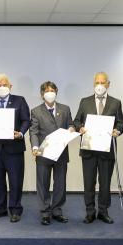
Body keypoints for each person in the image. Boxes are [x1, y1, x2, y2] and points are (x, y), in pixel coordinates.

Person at [73, 72, 123, 224]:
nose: (100, 85)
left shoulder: (116, 102)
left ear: (108, 84)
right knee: (89, 183)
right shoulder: (85, 101)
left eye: (103, 82)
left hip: (107, 150)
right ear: (93, 84)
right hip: (88, 150)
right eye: (97, 82)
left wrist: (117, 131)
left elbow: (120, 123)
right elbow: (76, 121)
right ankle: (90, 212)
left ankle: (103, 211)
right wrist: (80, 128)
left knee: (105, 183)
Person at [0, 74, 30, 223]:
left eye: (4, 84)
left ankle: (15, 209)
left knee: (15, 180)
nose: (1, 87)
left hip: (14, 148)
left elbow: (26, 120)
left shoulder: (19, 100)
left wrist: (21, 133)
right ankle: (0, 208)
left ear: (10, 86)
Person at [29, 81, 75, 226]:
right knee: (43, 183)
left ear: (56, 92)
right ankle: (45, 212)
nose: (50, 93)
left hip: (61, 152)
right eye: (47, 91)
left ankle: (57, 211)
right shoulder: (36, 111)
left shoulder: (65, 109)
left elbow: (71, 124)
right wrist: (35, 147)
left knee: (60, 183)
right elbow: (34, 131)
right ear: (42, 94)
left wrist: (72, 128)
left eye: (52, 90)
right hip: (43, 153)